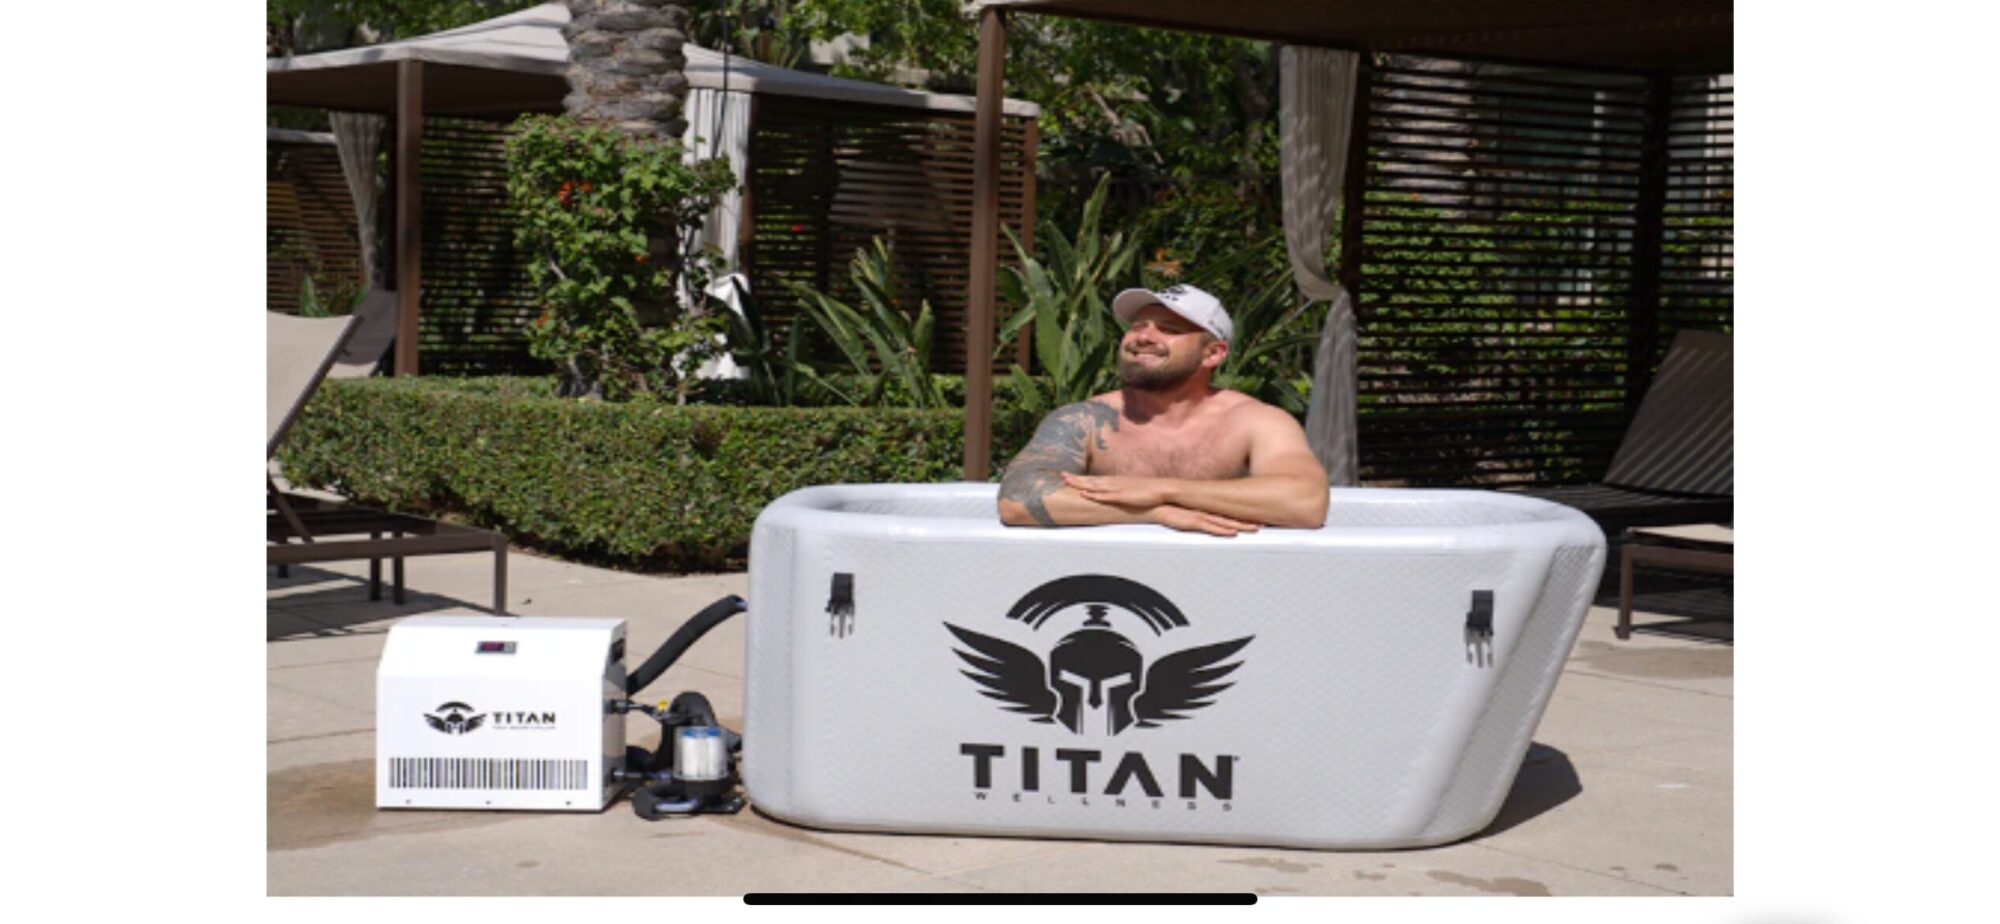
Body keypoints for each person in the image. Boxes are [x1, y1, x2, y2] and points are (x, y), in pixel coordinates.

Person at [997, 283, 1330, 536]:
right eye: (1138, 326)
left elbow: (1306, 502)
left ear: (1213, 353)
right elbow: (1017, 501)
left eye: (1169, 330)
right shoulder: (1085, 419)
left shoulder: (1255, 421)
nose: (1143, 337)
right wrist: (1154, 513)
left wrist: (1161, 489)